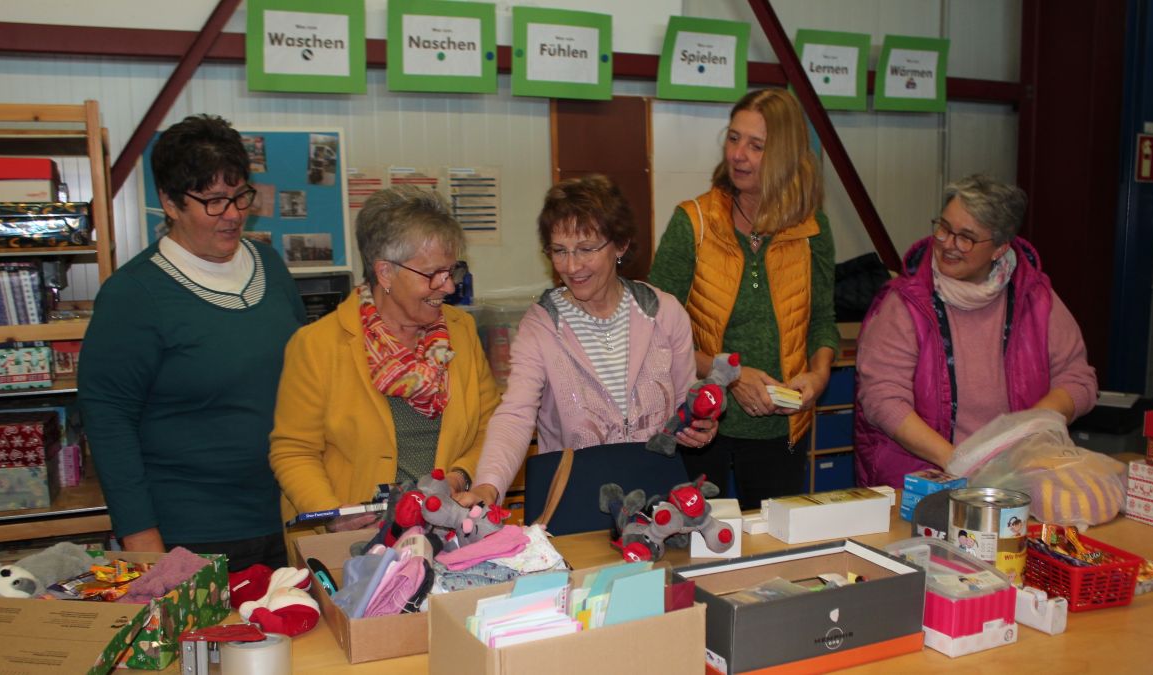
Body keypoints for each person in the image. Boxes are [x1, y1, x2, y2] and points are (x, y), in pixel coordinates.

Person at [79, 114, 306, 571]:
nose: (235, 214)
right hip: (191, 535)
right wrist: (144, 544)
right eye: (214, 201)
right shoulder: (134, 295)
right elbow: (108, 423)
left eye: (241, 195)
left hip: (286, 518)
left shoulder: (269, 266)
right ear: (169, 202)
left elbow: (307, 375)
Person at [458, 175, 713, 507]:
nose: (572, 266)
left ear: (620, 245)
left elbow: (685, 405)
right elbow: (515, 414)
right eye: (560, 251)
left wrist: (699, 429)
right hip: (573, 497)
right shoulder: (542, 325)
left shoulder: (664, 313)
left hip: (658, 495)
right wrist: (488, 486)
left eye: (586, 249)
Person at [269, 186, 499, 534]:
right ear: (385, 273)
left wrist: (462, 474)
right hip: (357, 546)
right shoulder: (317, 345)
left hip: (449, 534)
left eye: (452, 270)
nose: (449, 287)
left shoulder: (462, 331)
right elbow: (294, 451)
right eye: (433, 274)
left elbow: (490, 426)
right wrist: (330, 513)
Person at [649, 88, 839, 508]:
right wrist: (729, 375)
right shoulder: (693, 223)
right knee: (696, 552)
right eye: (734, 139)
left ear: (787, 156)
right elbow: (657, 333)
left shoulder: (812, 230)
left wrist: (819, 376)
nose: (739, 155)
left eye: (757, 146)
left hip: (782, 432)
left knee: (774, 553)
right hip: (699, 428)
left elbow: (823, 321)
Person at [854, 174, 1098, 488]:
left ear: (999, 248)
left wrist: (1026, 429)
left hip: (1016, 478)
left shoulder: (1036, 299)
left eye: (966, 237)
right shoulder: (904, 304)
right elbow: (882, 399)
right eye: (944, 228)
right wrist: (959, 462)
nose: (947, 244)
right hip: (921, 480)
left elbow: (1078, 380)